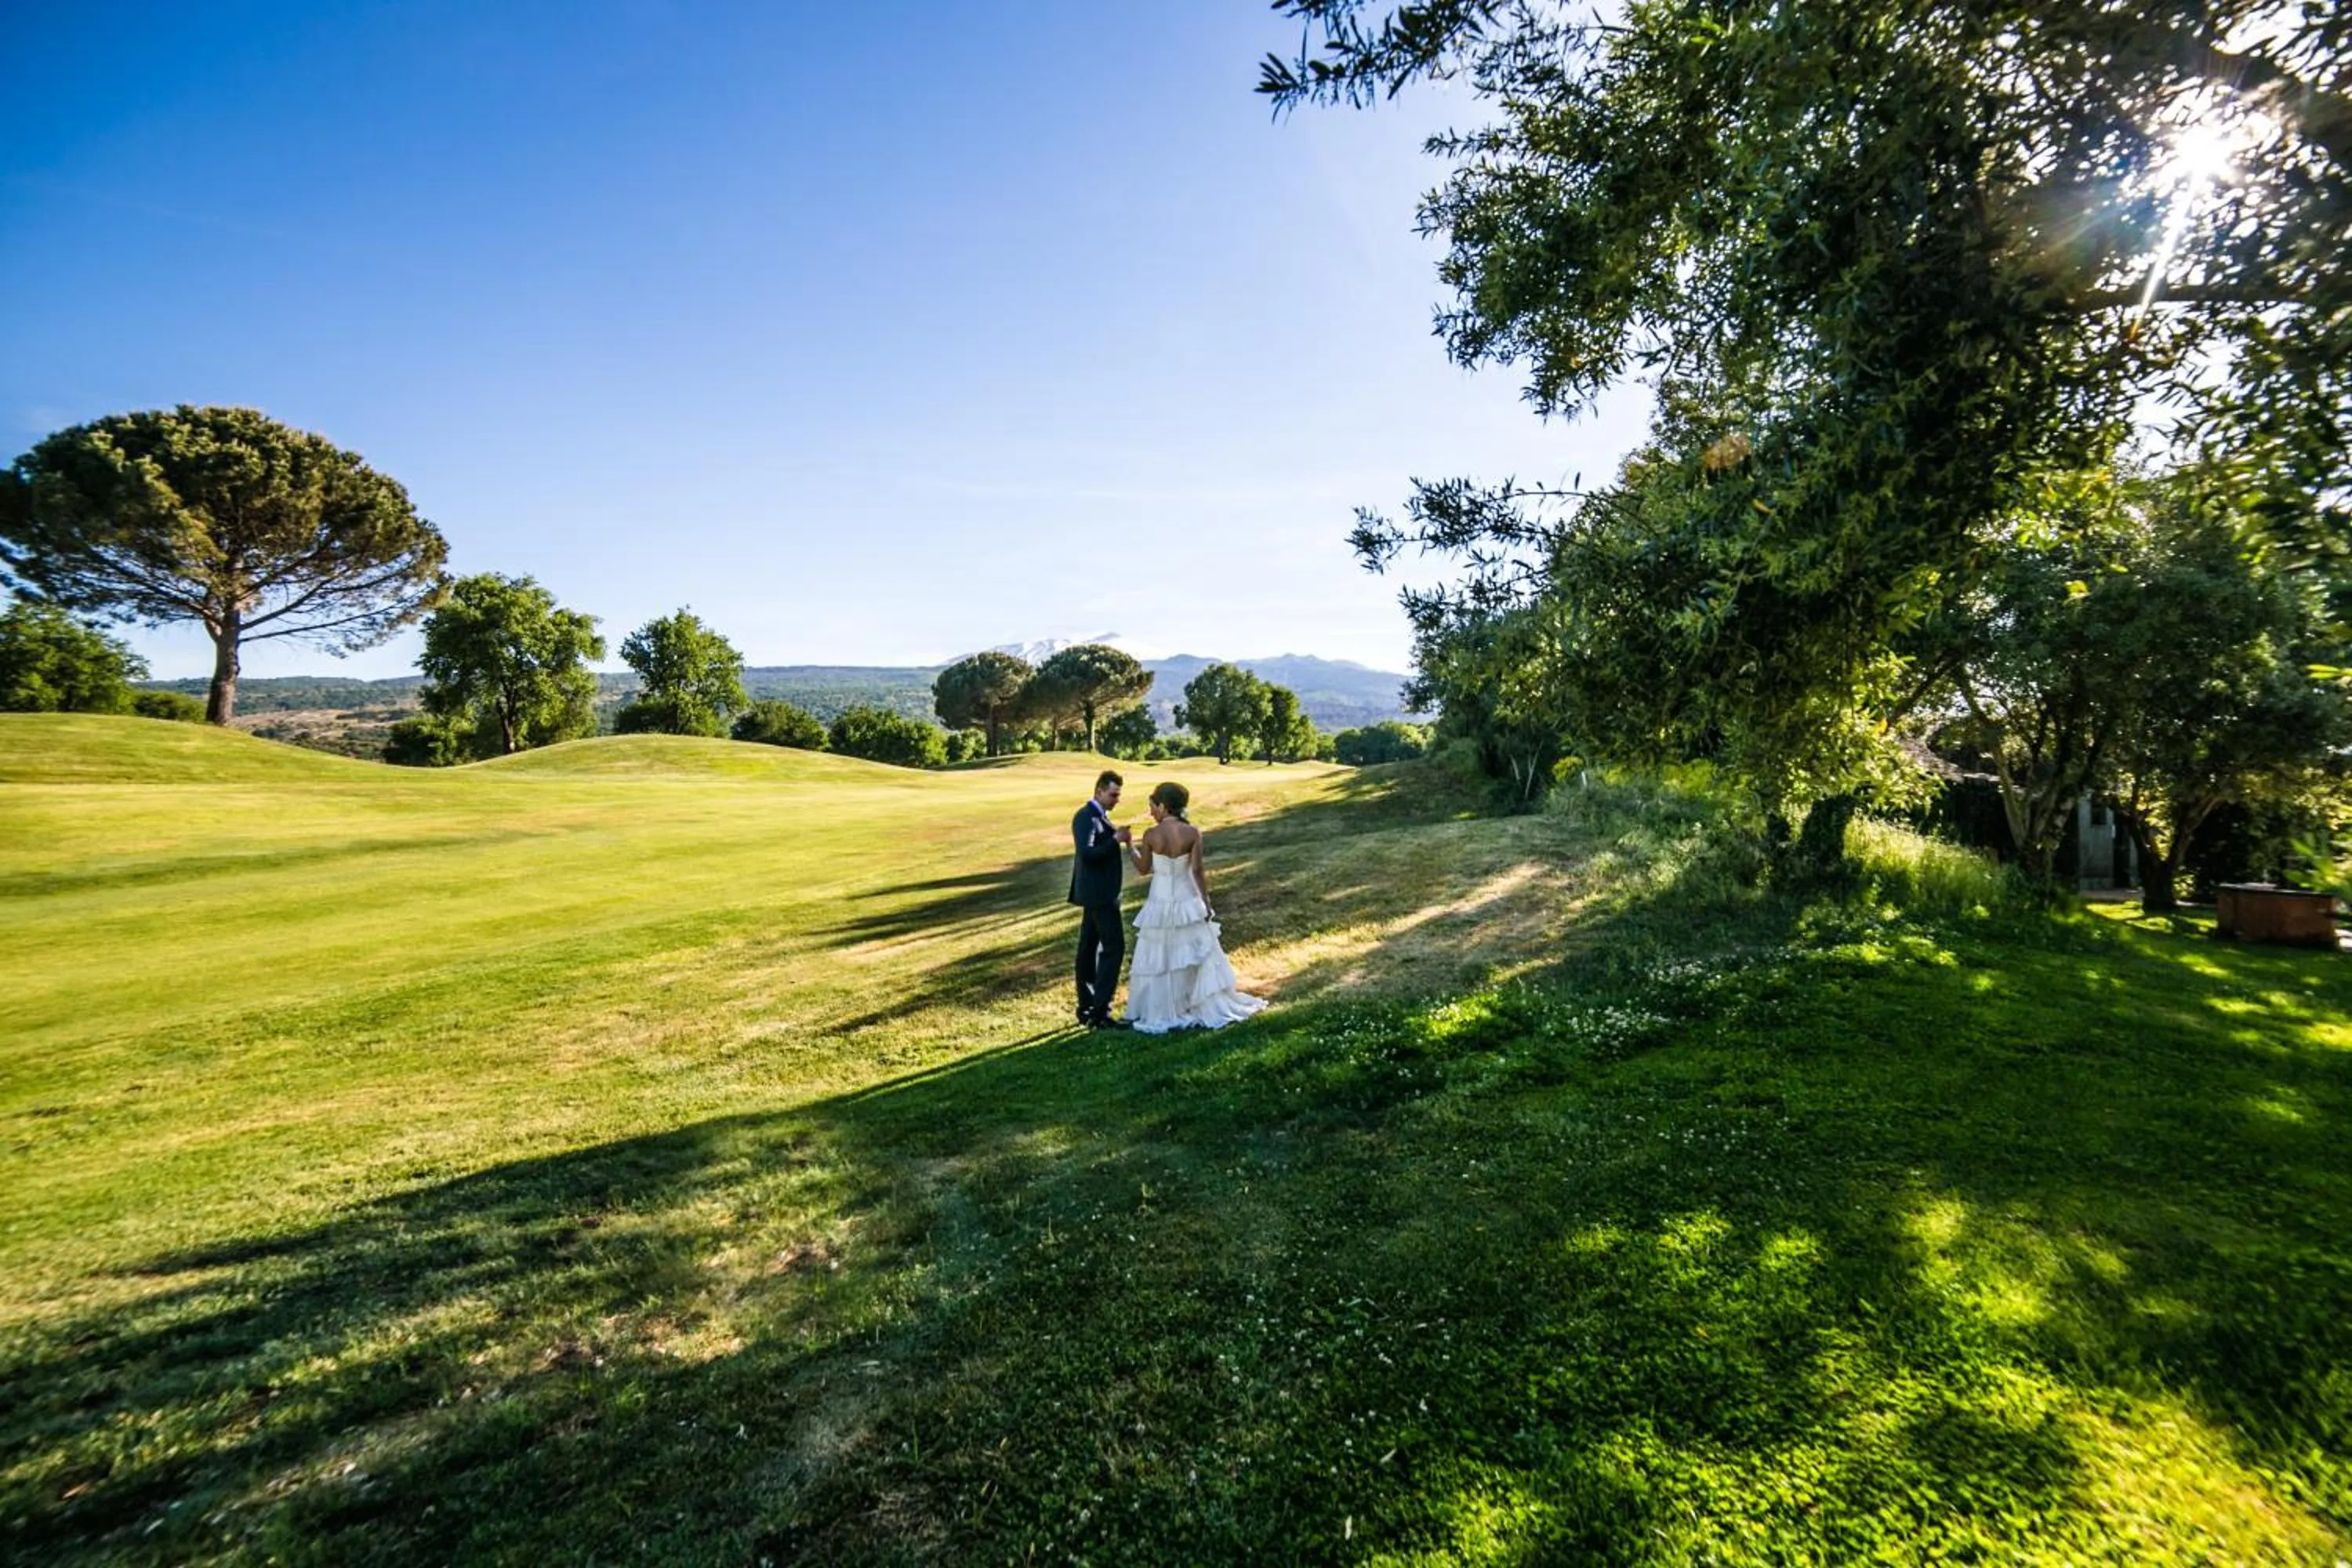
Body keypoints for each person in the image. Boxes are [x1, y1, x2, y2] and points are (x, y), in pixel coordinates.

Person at [1123, 781, 1265, 1033]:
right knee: (1194, 950)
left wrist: (1128, 845)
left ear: (1163, 806)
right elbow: (1197, 870)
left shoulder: (1151, 835)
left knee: (1162, 954)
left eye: (1153, 806)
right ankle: (1195, 1001)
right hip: (1187, 897)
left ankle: (1167, 1006)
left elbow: (1143, 869)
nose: (1151, 812)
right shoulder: (1193, 833)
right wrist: (1205, 902)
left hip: (1160, 900)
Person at [1069, 768, 1131, 1029]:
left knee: (1088, 948)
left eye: (1118, 795)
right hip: (1099, 896)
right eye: (1113, 795)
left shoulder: (1099, 817)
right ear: (1099, 791)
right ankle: (1100, 1011)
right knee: (1113, 948)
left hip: (1098, 894)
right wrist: (1115, 840)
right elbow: (1087, 854)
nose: (1117, 800)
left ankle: (1088, 1009)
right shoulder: (1086, 817)